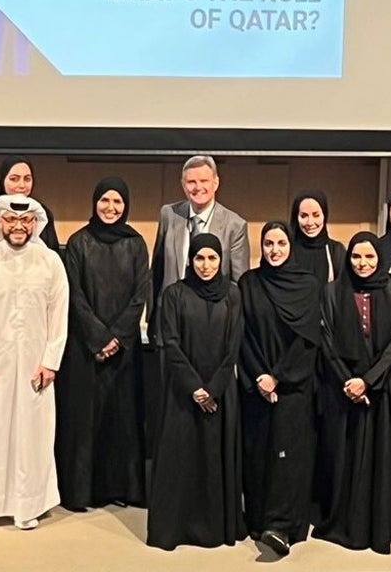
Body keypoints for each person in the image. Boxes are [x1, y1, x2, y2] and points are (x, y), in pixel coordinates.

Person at [0, 195, 69, 531]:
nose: (19, 226)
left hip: (36, 368)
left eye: (26, 221)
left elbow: (59, 315)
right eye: (11, 220)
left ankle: (28, 503)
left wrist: (51, 361)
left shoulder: (50, 261)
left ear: (35, 223)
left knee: (32, 434)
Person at [146, 234, 247, 551]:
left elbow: (234, 346)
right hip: (181, 392)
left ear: (221, 261)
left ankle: (215, 527)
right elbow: (171, 343)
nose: (206, 265)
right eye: (199, 258)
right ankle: (178, 528)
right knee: (181, 459)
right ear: (190, 260)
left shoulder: (232, 294)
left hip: (220, 392)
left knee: (214, 457)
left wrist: (213, 388)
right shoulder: (175, 294)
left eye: (212, 258)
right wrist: (195, 388)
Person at [55, 177, 150, 511]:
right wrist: (98, 337)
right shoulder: (78, 242)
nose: (111, 208)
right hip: (86, 350)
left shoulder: (136, 243)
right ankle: (84, 492)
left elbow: (141, 294)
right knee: (85, 421)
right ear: (94, 203)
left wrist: (117, 337)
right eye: (105, 201)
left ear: (126, 205)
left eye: (118, 202)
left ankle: (122, 488)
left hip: (124, 351)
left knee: (122, 418)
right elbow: (75, 296)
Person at [313, 232, 391, 554]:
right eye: (356, 257)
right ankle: (346, 521)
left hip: (382, 389)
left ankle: (378, 522)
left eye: (369, 257)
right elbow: (326, 340)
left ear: (379, 259)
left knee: (381, 456)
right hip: (343, 390)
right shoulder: (331, 292)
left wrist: (367, 380)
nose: (363, 263)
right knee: (345, 457)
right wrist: (349, 381)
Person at [238, 221, 322, 556]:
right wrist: (259, 376)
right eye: (269, 243)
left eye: (281, 243)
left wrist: (279, 377)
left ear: (291, 246)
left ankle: (283, 527)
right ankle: (259, 520)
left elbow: (307, 340)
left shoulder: (308, 285)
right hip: (256, 385)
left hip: (293, 387)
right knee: (259, 454)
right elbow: (242, 335)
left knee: (288, 458)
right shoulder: (249, 282)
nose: (274, 250)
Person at [150, 155, 250, 309]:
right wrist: (152, 317)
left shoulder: (234, 226)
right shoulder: (169, 214)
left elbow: (239, 284)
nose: (198, 187)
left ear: (216, 183)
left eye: (204, 181)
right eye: (191, 182)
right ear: (183, 185)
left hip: (211, 317)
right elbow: (157, 272)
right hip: (169, 314)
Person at [0, 156, 61, 259]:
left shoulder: (41, 213)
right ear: (3, 180)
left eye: (27, 179)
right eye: (14, 179)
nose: (22, 185)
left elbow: (53, 256)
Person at [289, 189, 347, 285]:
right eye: (304, 216)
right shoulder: (287, 250)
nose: (310, 222)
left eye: (316, 215)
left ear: (325, 215)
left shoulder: (336, 251)